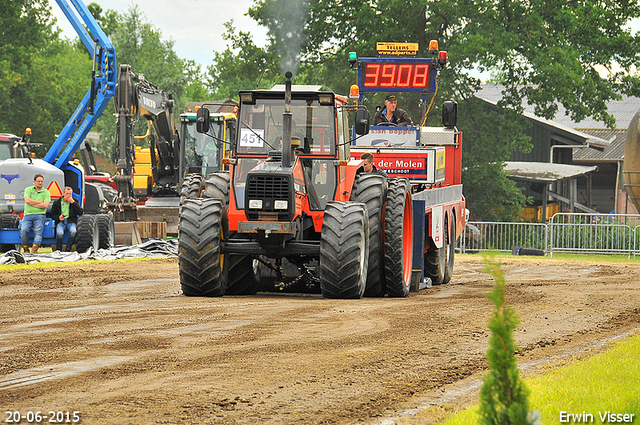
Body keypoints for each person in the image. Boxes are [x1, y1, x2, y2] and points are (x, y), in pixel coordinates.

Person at [21, 174, 51, 253]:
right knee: (23, 230)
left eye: (42, 181)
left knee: (38, 232)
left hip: (40, 215)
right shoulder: (28, 189)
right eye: (38, 181)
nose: (40, 183)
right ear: (34, 182)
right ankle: (26, 249)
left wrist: (32, 203)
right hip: (28, 215)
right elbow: (27, 200)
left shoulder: (46, 192)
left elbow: (46, 205)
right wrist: (39, 202)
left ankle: (34, 251)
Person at [50, 186, 83, 252]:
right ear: (63, 194)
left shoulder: (74, 201)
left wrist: (73, 203)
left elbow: (80, 212)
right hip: (61, 222)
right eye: (67, 194)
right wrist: (59, 217)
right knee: (59, 233)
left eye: (70, 194)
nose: (68, 196)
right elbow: (52, 214)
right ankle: (59, 249)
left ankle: (68, 247)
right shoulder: (57, 202)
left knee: (73, 232)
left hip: (71, 221)